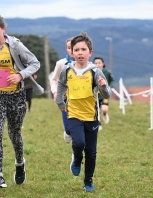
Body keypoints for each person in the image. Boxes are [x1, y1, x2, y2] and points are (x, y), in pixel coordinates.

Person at [0, 14, 43, 189]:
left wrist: (20, 75)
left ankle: (20, 163)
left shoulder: (15, 45)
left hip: (17, 96)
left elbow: (35, 63)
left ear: (3, 29)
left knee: (14, 134)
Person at [55, 32, 111, 192]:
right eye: (76, 50)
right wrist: (60, 102)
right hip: (73, 113)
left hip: (92, 116)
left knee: (91, 151)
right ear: (71, 52)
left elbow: (107, 94)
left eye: (83, 49)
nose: (80, 52)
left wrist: (103, 86)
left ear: (90, 52)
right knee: (79, 143)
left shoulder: (95, 71)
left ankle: (88, 180)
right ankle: (77, 159)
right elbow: (61, 85)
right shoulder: (67, 70)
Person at [50, 38, 74, 143]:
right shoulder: (61, 63)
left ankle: (76, 154)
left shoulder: (87, 64)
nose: (72, 50)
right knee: (69, 129)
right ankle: (68, 132)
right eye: (69, 47)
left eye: (74, 47)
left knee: (79, 130)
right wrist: (55, 92)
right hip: (65, 99)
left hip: (81, 100)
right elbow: (54, 79)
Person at [93, 57, 115, 130]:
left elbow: (112, 80)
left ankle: (105, 114)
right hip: (96, 95)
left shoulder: (107, 72)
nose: (97, 64)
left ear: (103, 64)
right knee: (97, 110)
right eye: (96, 63)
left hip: (105, 95)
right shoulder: (92, 72)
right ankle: (99, 124)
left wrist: (110, 87)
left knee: (104, 109)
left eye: (99, 63)